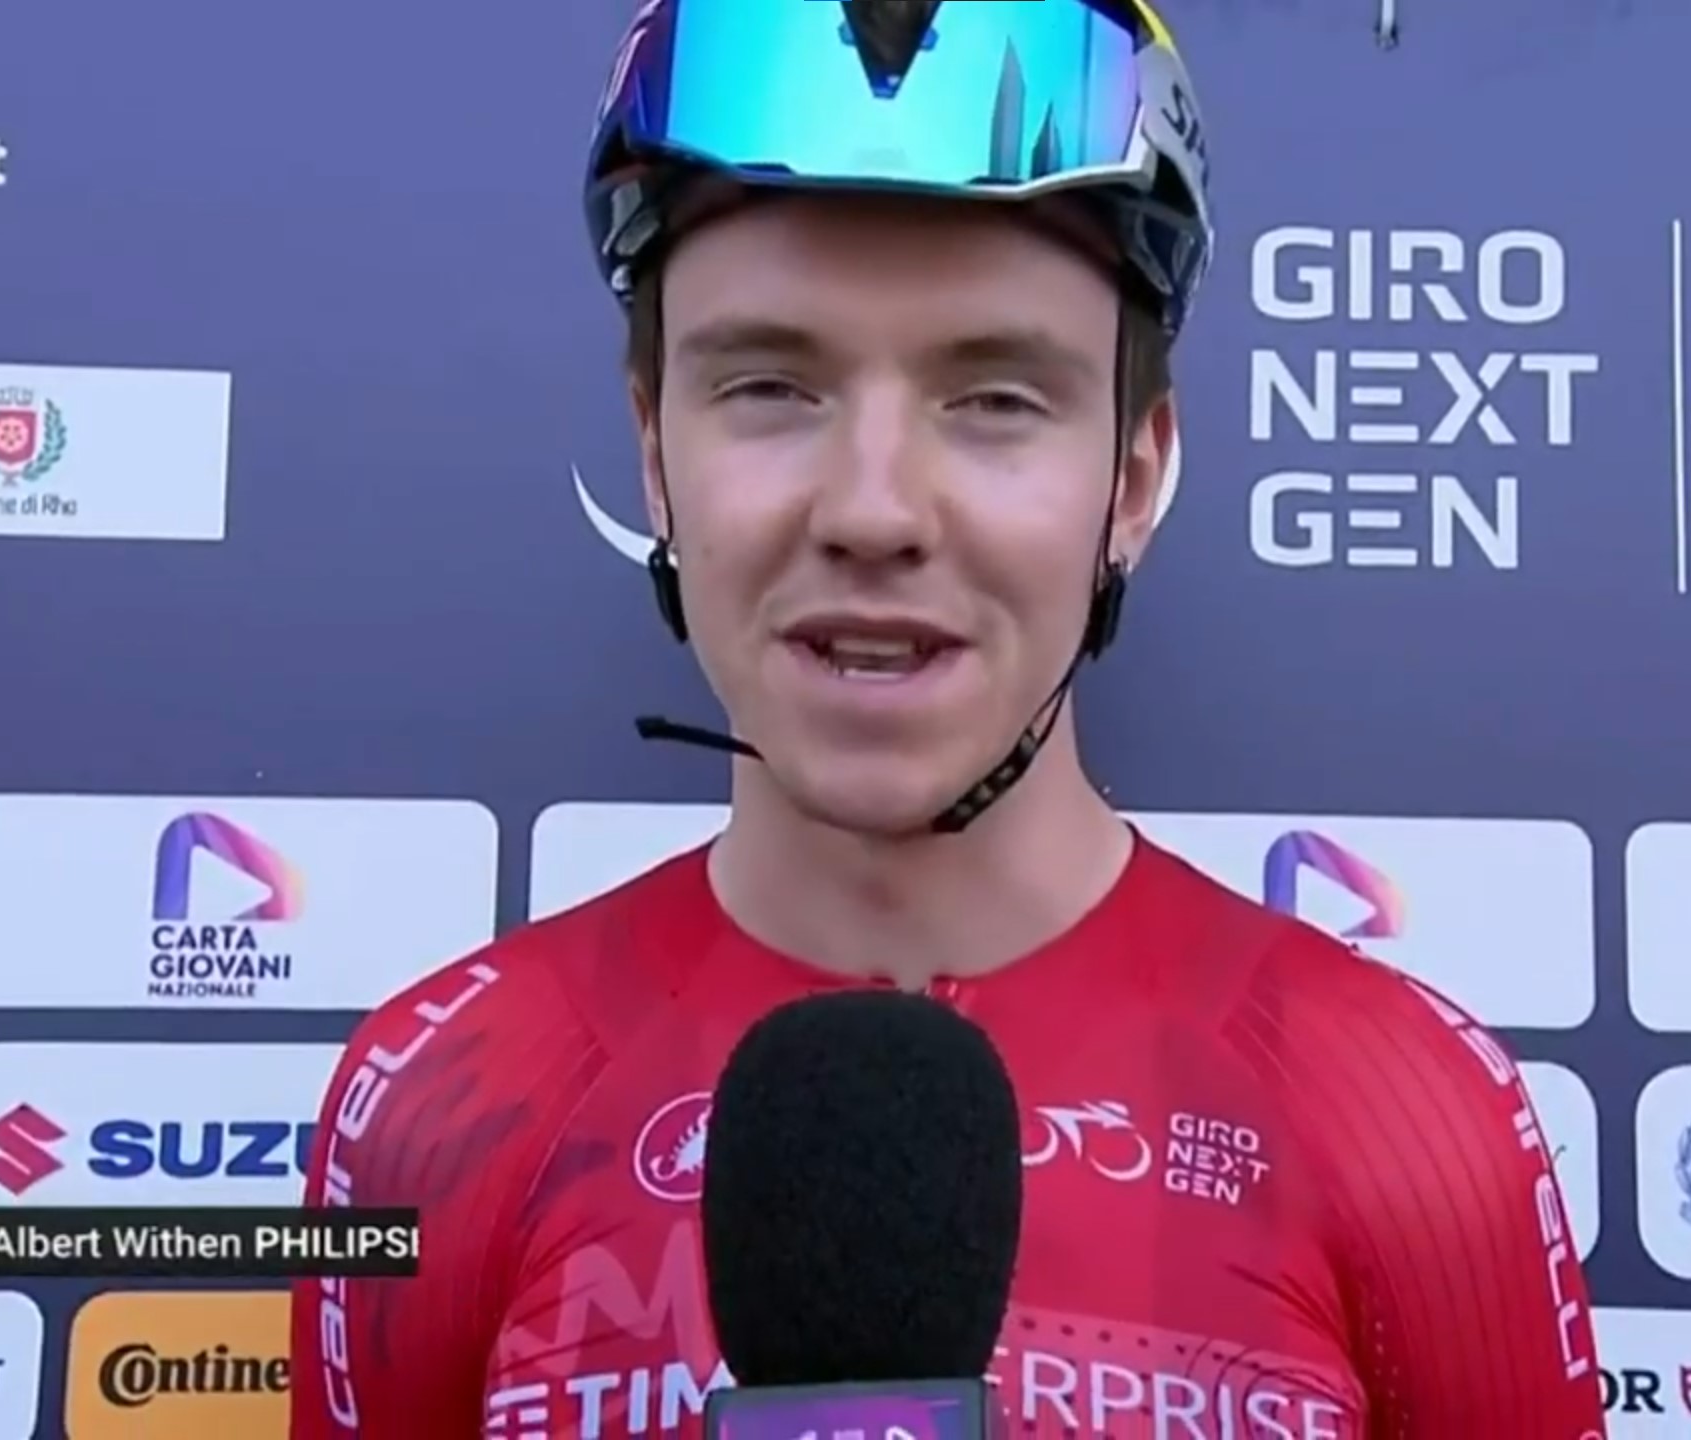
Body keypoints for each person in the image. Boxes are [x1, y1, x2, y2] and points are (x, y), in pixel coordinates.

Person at [290, 1, 1607, 1435]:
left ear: (1134, 478)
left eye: (993, 398)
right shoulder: (437, 1109)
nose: (873, 511)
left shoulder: (1409, 1121)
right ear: (654, 453)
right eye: (770, 387)